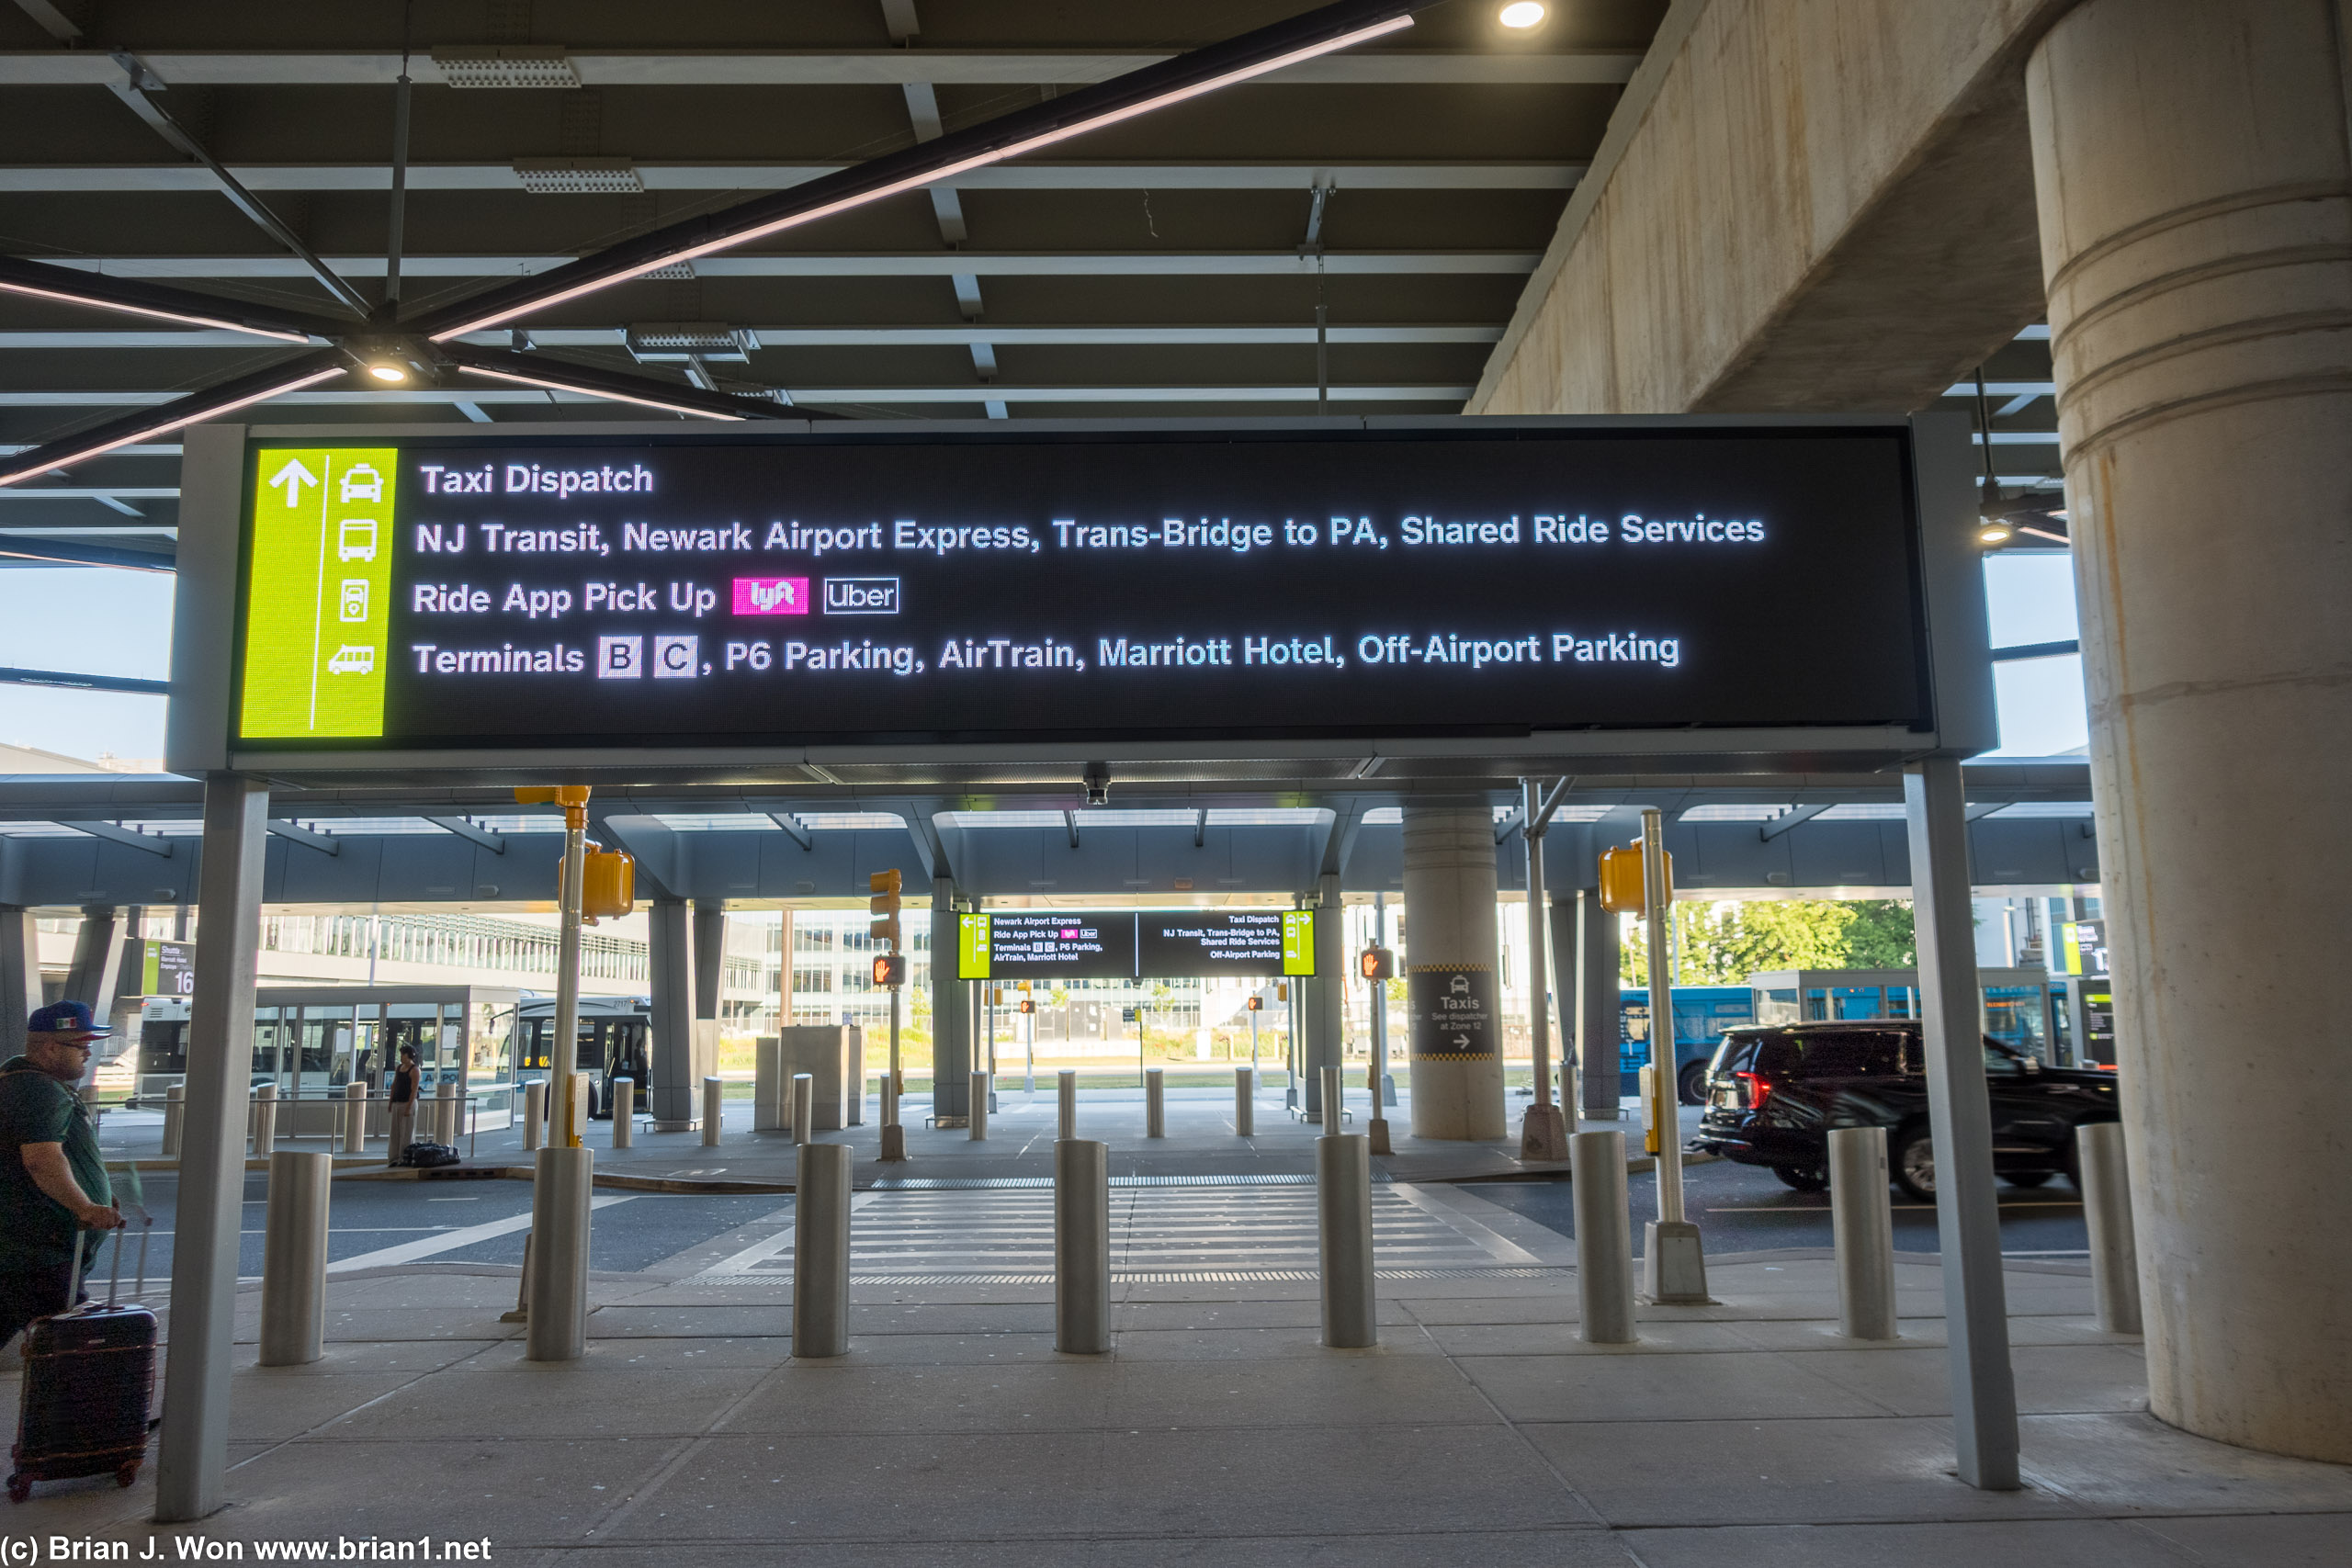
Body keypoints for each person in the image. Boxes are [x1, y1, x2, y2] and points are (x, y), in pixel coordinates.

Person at [0, 1001, 125, 1349]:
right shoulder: (36, 1089)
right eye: (80, 1044)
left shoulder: (27, 1083)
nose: (88, 1053)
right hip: (38, 1254)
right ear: (51, 1046)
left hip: (27, 1253)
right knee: (79, 1353)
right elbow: (41, 1158)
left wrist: (94, 1194)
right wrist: (85, 1205)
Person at [386, 1045, 419, 1165]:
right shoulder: (399, 1068)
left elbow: (414, 1090)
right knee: (395, 1132)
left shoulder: (414, 1070)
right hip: (397, 1102)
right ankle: (394, 1157)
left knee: (407, 1132)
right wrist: (390, 1102)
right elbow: (394, 1085)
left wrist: (409, 1107)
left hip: (407, 1103)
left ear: (409, 1055)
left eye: (403, 1055)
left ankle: (405, 1157)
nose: (401, 1057)